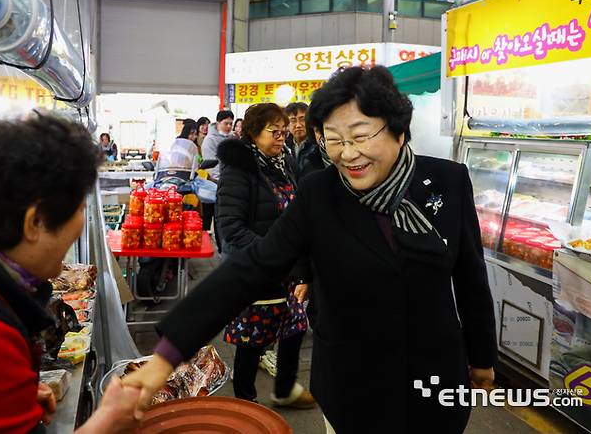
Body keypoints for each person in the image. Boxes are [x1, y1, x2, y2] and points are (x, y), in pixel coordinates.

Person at [123, 66, 497, 434]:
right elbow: (251, 268)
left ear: (399, 131)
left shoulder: (447, 181)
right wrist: (166, 356)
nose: (348, 154)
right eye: (333, 139)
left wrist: (481, 359)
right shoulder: (320, 193)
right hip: (351, 385)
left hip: (433, 380)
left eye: (361, 136)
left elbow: (470, 278)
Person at [0, 115, 142, 433]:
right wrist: (107, 422)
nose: (81, 223)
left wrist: (13, 396)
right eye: (78, 205)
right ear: (35, 222)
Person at [215, 103, 315, 408]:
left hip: (287, 270)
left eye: (284, 131)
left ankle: (284, 390)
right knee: (252, 339)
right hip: (256, 268)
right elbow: (231, 227)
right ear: (254, 133)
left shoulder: (285, 162)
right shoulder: (239, 170)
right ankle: (246, 402)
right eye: (275, 131)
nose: (282, 137)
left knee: (294, 329)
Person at [200, 110, 234, 233]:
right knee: (215, 211)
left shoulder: (232, 137)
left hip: (231, 180)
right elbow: (212, 164)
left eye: (231, 124)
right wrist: (221, 179)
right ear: (218, 123)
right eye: (226, 123)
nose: (229, 127)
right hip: (216, 181)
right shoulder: (210, 140)